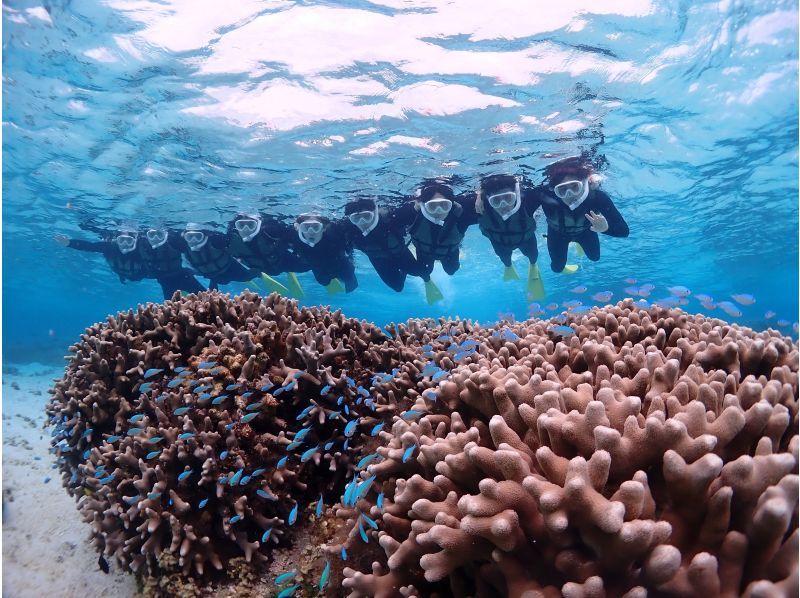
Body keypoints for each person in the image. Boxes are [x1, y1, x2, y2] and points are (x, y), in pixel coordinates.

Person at [54, 223, 204, 299]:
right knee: (173, 302)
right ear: (116, 240)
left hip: (166, 276)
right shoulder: (109, 247)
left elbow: (165, 247)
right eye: (122, 241)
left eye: (129, 241)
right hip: (146, 276)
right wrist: (69, 243)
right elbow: (91, 247)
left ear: (136, 240)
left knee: (191, 292)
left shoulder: (142, 247)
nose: (125, 245)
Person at [534, 157, 629, 273]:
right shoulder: (545, 196)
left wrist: (605, 229)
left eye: (575, 187)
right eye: (562, 190)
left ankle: (579, 244)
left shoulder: (598, 197)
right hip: (557, 234)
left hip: (585, 232)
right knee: (557, 268)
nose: (569, 195)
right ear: (555, 190)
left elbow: (624, 231)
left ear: (584, 184)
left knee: (595, 257)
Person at [400, 181, 475, 304]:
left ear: (452, 205)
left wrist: (481, 196)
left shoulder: (461, 217)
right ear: (424, 206)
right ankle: (427, 280)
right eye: (433, 206)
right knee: (424, 273)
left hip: (449, 252)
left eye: (444, 205)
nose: (439, 211)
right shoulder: (413, 215)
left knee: (451, 271)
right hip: (424, 253)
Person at [474, 174, 545, 299]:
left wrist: (591, 178)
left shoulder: (527, 201)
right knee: (505, 259)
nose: (503, 205)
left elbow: (546, 188)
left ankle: (533, 266)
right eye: (496, 201)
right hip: (500, 242)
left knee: (533, 256)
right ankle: (509, 267)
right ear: (489, 200)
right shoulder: (480, 207)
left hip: (526, 239)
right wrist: (478, 195)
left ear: (516, 195)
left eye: (508, 198)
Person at [343, 197, 422, 292]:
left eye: (367, 216)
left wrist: (418, 203)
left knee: (418, 272)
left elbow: (413, 208)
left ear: (375, 212)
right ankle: (403, 270)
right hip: (379, 260)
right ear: (351, 219)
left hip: (399, 253)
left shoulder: (391, 217)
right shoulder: (348, 229)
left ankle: (412, 271)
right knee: (398, 287)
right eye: (356, 218)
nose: (362, 222)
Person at [227, 212, 307, 297]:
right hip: (260, 270)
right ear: (236, 226)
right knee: (225, 279)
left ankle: (290, 272)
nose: (246, 229)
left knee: (307, 266)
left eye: (251, 225)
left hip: (283, 262)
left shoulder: (269, 231)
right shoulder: (231, 241)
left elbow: (293, 235)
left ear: (257, 225)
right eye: (241, 225)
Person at [293, 213, 358, 294]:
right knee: (323, 282)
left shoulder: (334, 234)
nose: (311, 231)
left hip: (341, 264)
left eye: (316, 227)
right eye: (306, 227)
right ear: (299, 228)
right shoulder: (295, 237)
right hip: (318, 267)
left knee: (351, 283)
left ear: (324, 228)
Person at [179, 222, 254, 290]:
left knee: (249, 277)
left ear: (205, 235)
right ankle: (213, 282)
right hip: (212, 276)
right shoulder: (183, 245)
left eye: (198, 236)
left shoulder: (215, 241)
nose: (193, 240)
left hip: (230, 270)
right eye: (189, 237)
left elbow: (233, 243)